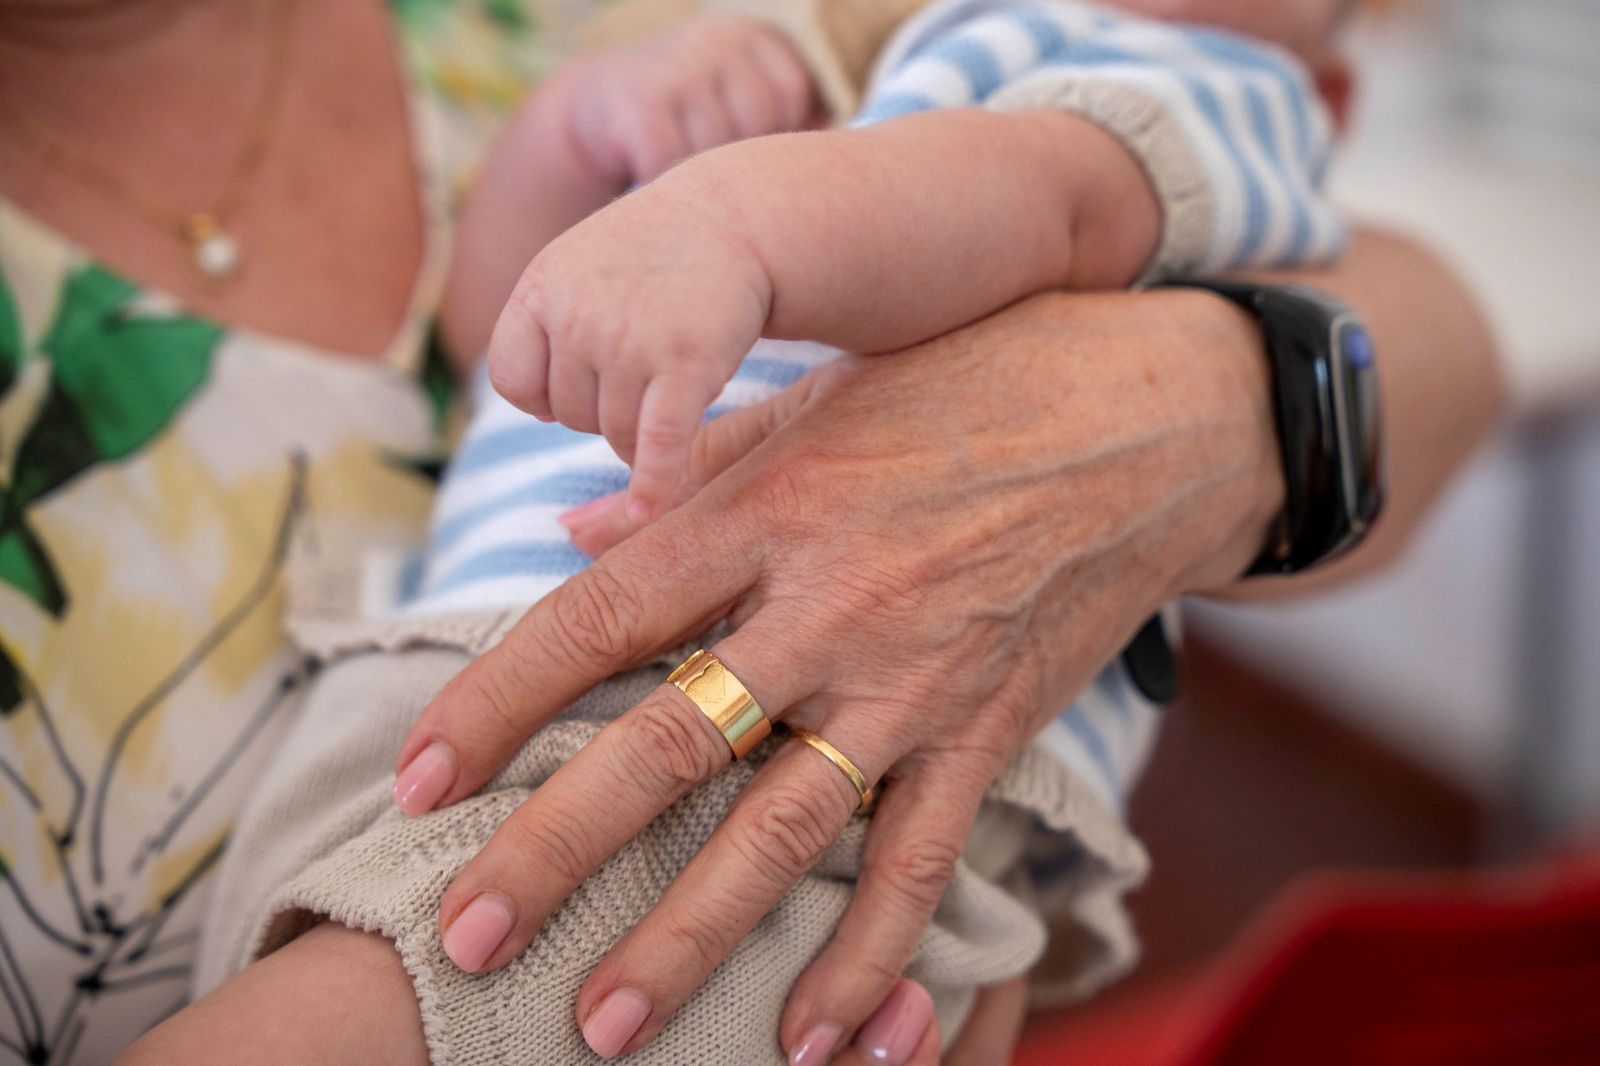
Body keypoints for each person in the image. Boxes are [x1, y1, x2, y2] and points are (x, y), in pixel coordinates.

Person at [174, 1, 1367, 1062]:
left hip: (743, 743)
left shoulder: (1209, 84)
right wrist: (577, 138)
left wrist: (729, 222)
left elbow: (1038, 200)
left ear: (1331, 83)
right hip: (439, 677)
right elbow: (500, 343)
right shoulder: (839, 60)